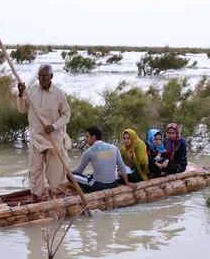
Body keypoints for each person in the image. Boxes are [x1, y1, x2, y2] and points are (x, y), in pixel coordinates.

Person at [17, 64, 72, 203]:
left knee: (55, 171)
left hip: (53, 138)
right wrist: (20, 93)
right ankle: (35, 195)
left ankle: (54, 193)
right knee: (35, 168)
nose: (41, 79)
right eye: (40, 77)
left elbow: (66, 114)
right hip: (36, 136)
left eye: (45, 77)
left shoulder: (59, 93)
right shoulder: (32, 90)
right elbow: (22, 109)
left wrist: (53, 126)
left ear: (51, 77)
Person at [72, 126, 137, 192]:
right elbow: (122, 166)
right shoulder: (114, 148)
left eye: (87, 137)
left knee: (70, 175)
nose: (86, 139)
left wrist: (73, 172)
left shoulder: (88, 151)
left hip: (99, 186)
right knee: (93, 174)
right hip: (113, 184)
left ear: (93, 137)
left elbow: (79, 171)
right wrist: (127, 183)